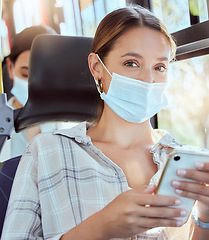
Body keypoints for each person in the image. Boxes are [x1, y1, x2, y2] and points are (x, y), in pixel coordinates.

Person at [2, 6, 209, 240]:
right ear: (96, 67)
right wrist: (100, 227)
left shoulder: (192, 164)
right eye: (131, 63)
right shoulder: (47, 151)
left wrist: (205, 219)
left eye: (160, 67)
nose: (148, 80)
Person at [0, 25, 59, 162]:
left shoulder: (76, 125)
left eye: (46, 75)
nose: (34, 84)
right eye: (26, 74)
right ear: (10, 67)